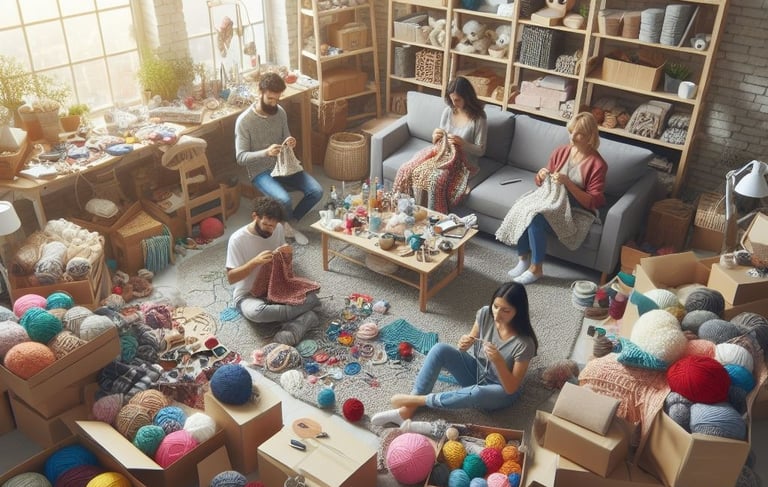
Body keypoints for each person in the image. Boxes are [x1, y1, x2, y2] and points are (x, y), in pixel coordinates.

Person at [371, 282, 538, 426]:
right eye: (496, 306)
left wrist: (498, 361)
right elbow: (469, 341)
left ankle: (418, 401)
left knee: (478, 391)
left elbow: (511, 388)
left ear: (518, 311)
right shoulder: (485, 313)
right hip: (477, 374)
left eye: (505, 311)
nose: (497, 314)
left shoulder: (524, 343)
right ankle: (407, 410)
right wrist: (466, 342)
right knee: (440, 349)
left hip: (500, 391)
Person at [506, 112, 607, 284]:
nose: (572, 137)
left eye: (578, 133)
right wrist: (541, 175)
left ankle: (536, 269)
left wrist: (568, 183)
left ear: (590, 136)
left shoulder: (598, 164)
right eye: (571, 131)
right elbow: (543, 183)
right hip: (552, 200)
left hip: (575, 209)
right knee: (523, 206)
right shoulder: (561, 151)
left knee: (535, 217)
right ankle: (523, 258)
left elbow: (593, 201)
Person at [235, 72, 323, 245]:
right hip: (260, 171)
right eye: (270, 99)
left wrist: (289, 141)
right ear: (260, 91)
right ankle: (288, 227)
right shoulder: (244, 122)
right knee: (284, 200)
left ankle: (290, 224)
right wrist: (265, 152)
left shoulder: (280, 112)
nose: (274, 103)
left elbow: (286, 136)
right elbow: (240, 157)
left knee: (316, 191)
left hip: (284, 166)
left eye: (278, 99)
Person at [225, 196, 320, 345]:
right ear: (255, 216)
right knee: (255, 313)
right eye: (266, 225)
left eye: (274, 226)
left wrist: (287, 252)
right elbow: (231, 278)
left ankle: (294, 319)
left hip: (277, 287)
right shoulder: (237, 239)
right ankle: (303, 319)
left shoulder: (278, 228)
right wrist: (254, 262)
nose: (271, 230)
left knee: (313, 296)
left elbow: (283, 264)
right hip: (249, 294)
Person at [434, 76, 488, 172]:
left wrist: (463, 143)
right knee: (410, 170)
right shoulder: (448, 111)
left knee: (436, 179)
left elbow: (481, 151)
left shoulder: (479, 118)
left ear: (467, 98)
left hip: (465, 164)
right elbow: (441, 142)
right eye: (451, 99)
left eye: (457, 100)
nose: (454, 103)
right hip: (445, 157)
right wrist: (436, 138)